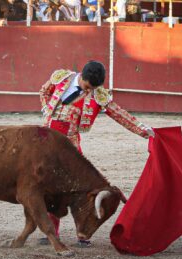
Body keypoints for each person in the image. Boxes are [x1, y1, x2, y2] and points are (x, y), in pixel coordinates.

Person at [39, 61, 154, 247]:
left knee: (83, 188)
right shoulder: (62, 77)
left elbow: (120, 114)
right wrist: (46, 108)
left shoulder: (97, 94)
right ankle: (51, 232)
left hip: (70, 145)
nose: (88, 91)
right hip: (45, 141)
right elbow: (44, 91)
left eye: (93, 88)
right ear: (81, 76)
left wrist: (143, 130)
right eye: (86, 87)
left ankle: (83, 233)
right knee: (48, 187)